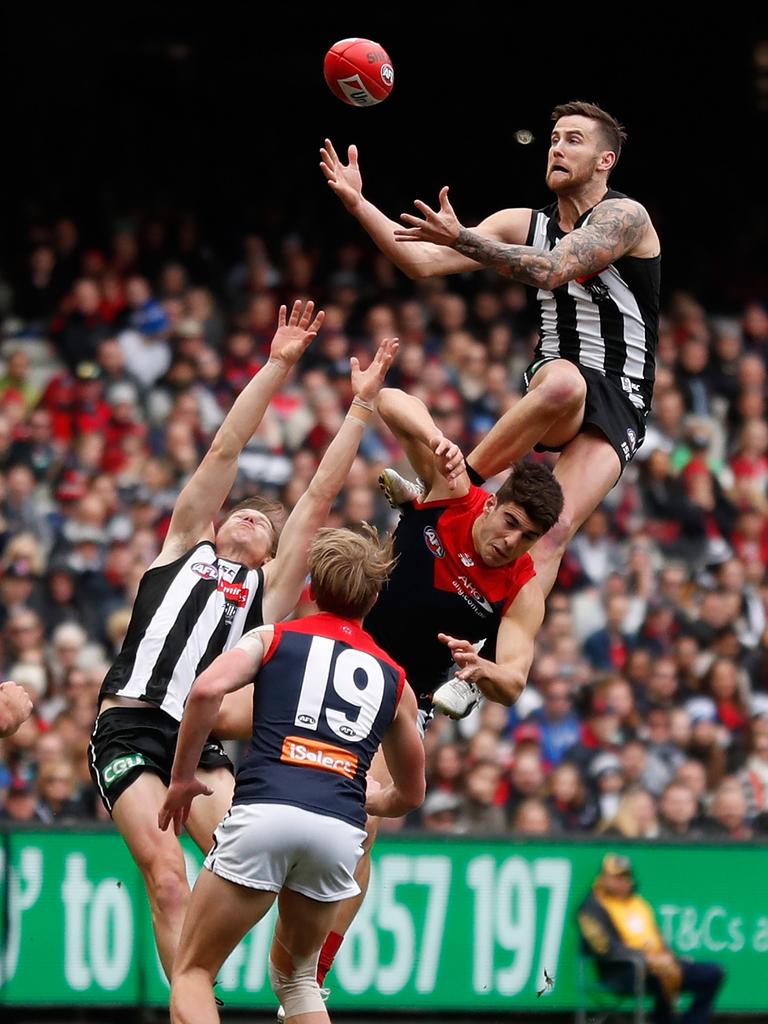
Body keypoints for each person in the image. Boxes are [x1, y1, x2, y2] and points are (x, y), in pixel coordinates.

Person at [216, 387, 564, 1001]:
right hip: (335, 646)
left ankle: (311, 975)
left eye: (528, 537)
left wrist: (484, 670)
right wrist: (438, 441)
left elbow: (515, 678)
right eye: (509, 523)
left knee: (361, 823)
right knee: (218, 717)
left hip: (398, 696)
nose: (512, 542)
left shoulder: (522, 585)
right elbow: (390, 398)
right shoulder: (457, 493)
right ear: (493, 504)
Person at [88, 298, 398, 979]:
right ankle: (196, 1004)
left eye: (266, 524)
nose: (254, 520)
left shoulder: (269, 595)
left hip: (205, 748)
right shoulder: (180, 547)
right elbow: (225, 447)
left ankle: (285, 978)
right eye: (245, 514)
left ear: (273, 552)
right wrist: (277, 364)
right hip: (132, 726)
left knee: (255, 872)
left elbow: (317, 495)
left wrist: (361, 409)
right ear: (218, 522)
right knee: (168, 874)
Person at [320, 99, 660, 598]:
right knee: (565, 381)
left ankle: (494, 659)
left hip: (625, 396)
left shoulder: (626, 216)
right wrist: (358, 203)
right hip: (559, 378)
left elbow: (552, 268)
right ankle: (452, 489)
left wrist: (463, 237)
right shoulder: (522, 222)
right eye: (554, 140)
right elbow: (422, 263)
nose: (557, 149)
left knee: (552, 530)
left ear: (605, 161)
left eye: (573, 140)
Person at [158, 526, 425, 1024]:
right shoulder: (395, 679)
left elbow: (204, 690)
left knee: (193, 969)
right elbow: (412, 792)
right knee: (298, 981)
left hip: (267, 810)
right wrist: (372, 801)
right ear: (372, 598)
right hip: (339, 830)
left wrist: (181, 778)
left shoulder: (275, 637)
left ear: (315, 588)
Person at [577, 853, 725, 1024]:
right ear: (603, 879)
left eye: (625, 877)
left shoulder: (638, 903)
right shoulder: (591, 907)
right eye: (615, 877)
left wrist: (670, 957)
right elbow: (605, 948)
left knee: (714, 972)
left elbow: (656, 937)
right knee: (663, 973)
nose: (621, 882)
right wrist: (646, 959)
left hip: (657, 965)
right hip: (622, 971)